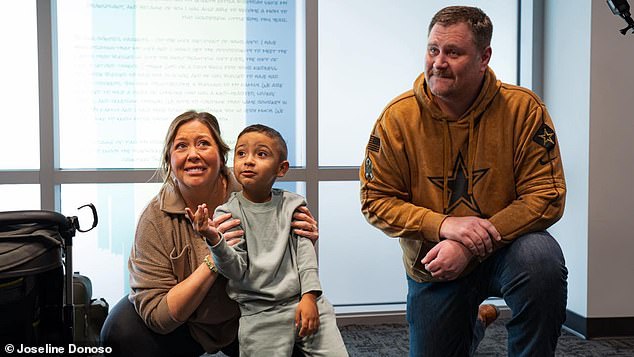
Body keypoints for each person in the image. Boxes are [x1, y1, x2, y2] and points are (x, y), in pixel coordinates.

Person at [359, 6, 568, 357]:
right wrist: (443, 225)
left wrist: (469, 242)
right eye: (433, 50)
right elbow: (375, 200)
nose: (438, 62)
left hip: (508, 250)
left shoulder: (523, 109)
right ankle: (474, 322)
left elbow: (547, 194)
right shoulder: (397, 118)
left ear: (484, 57)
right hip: (436, 262)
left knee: (541, 261)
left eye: (453, 52)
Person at [100, 111, 320, 357]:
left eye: (203, 143)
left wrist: (303, 241)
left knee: (308, 337)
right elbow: (159, 316)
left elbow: (293, 274)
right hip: (187, 324)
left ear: (221, 154)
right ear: (170, 160)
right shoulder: (154, 220)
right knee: (120, 333)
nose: (193, 154)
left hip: (250, 315)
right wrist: (215, 257)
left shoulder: (255, 194)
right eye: (181, 146)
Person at [188, 124, 348, 357]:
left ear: (281, 168)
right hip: (260, 312)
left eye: (261, 154)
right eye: (241, 153)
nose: (248, 161)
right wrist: (214, 239)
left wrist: (310, 297)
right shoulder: (227, 212)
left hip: (304, 301)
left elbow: (305, 255)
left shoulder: (293, 205)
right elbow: (235, 270)